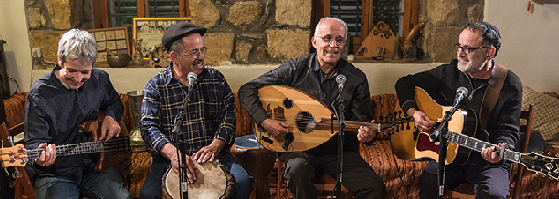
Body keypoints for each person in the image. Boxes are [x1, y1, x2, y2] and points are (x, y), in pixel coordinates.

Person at [238, 17, 386, 199]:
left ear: (344, 45)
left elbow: (362, 122)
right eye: (327, 38)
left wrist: (366, 136)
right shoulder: (295, 69)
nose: (333, 45)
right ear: (314, 42)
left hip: (337, 152)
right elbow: (247, 89)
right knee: (296, 170)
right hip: (298, 148)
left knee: (375, 187)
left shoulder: (355, 78)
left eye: (339, 40)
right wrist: (265, 120)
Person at [395, 21, 522, 198]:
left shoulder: (509, 84)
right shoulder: (450, 72)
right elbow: (404, 83)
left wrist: (499, 149)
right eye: (459, 46)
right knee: (428, 184)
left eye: (468, 49)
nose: (460, 53)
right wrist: (413, 112)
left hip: (486, 162)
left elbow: (508, 131)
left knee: (493, 195)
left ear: (489, 52)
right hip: (448, 155)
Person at [139, 21, 253, 199]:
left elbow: (228, 117)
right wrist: (173, 154)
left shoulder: (216, 80)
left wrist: (216, 145)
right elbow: (148, 127)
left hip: (214, 156)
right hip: (171, 159)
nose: (201, 57)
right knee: (148, 194)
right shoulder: (156, 86)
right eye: (194, 53)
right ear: (174, 57)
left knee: (243, 182)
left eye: (202, 50)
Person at [23, 29, 132, 199]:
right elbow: (33, 143)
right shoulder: (40, 93)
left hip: (96, 167)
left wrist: (111, 117)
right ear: (60, 61)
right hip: (56, 174)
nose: (78, 78)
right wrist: (40, 156)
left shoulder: (100, 80)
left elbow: (115, 102)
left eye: (85, 72)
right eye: (72, 71)